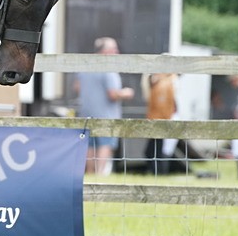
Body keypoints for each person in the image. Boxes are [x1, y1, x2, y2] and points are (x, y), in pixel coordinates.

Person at [74, 37, 135, 174]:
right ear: (105, 51)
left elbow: (77, 87)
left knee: (89, 146)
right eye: (114, 49)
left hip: (86, 113)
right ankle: (100, 174)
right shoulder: (108, 68)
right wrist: (126, 93)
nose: (117, 52)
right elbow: (112, 94)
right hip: (106, 116)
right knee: (105, 144)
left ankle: (90, 173)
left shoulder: (85, 65)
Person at [145, 72, 180, 174]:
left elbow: (162, 106)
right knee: (158, 150)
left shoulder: (163, 85)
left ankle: (159, 172)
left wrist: (161, 122)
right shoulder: (163, 84)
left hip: (159, 122)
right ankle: (159, 172)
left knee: (157, 151)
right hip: (159, 121)